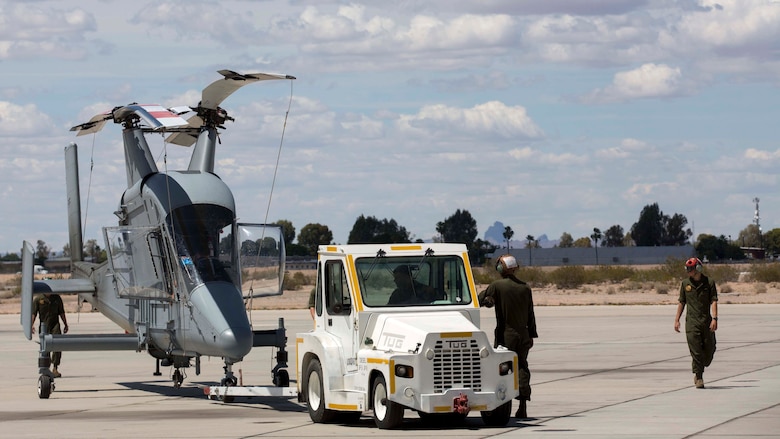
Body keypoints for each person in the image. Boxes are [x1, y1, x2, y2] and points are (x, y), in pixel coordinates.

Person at [479, 254, 538, 419]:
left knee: (502, 369)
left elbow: (479, 299)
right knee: (522, 367)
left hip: (507, 335)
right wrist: (532, 334)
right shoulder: (525, 288)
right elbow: (530, 314)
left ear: (501, 268)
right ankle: (523, 405)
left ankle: (501, 403)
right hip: (524, 334)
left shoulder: (497, 286)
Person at [674, 257, 718, 389]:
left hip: (706, 322)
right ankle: (699, 376)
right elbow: (682, 302)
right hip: (692, 323)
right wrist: (677, 319)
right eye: (687, 269)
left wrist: (715, 318)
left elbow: (714, 301)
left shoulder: (709, 282)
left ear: (698, 268)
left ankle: (700, 367)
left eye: (690, 269)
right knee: (696, 351)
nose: (688, 271)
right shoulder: (685, 284)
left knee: (709, 351)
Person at [31, 293, 69, 378]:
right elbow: (34, 313)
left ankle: (55, 368)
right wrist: (31, 324)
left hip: (55, 324)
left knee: (57, 345)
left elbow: (61, 312)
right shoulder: (38, 299)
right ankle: (46, 368)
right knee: (45, 347)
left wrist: (65, 324)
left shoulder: (57, 298)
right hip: (44, 326)